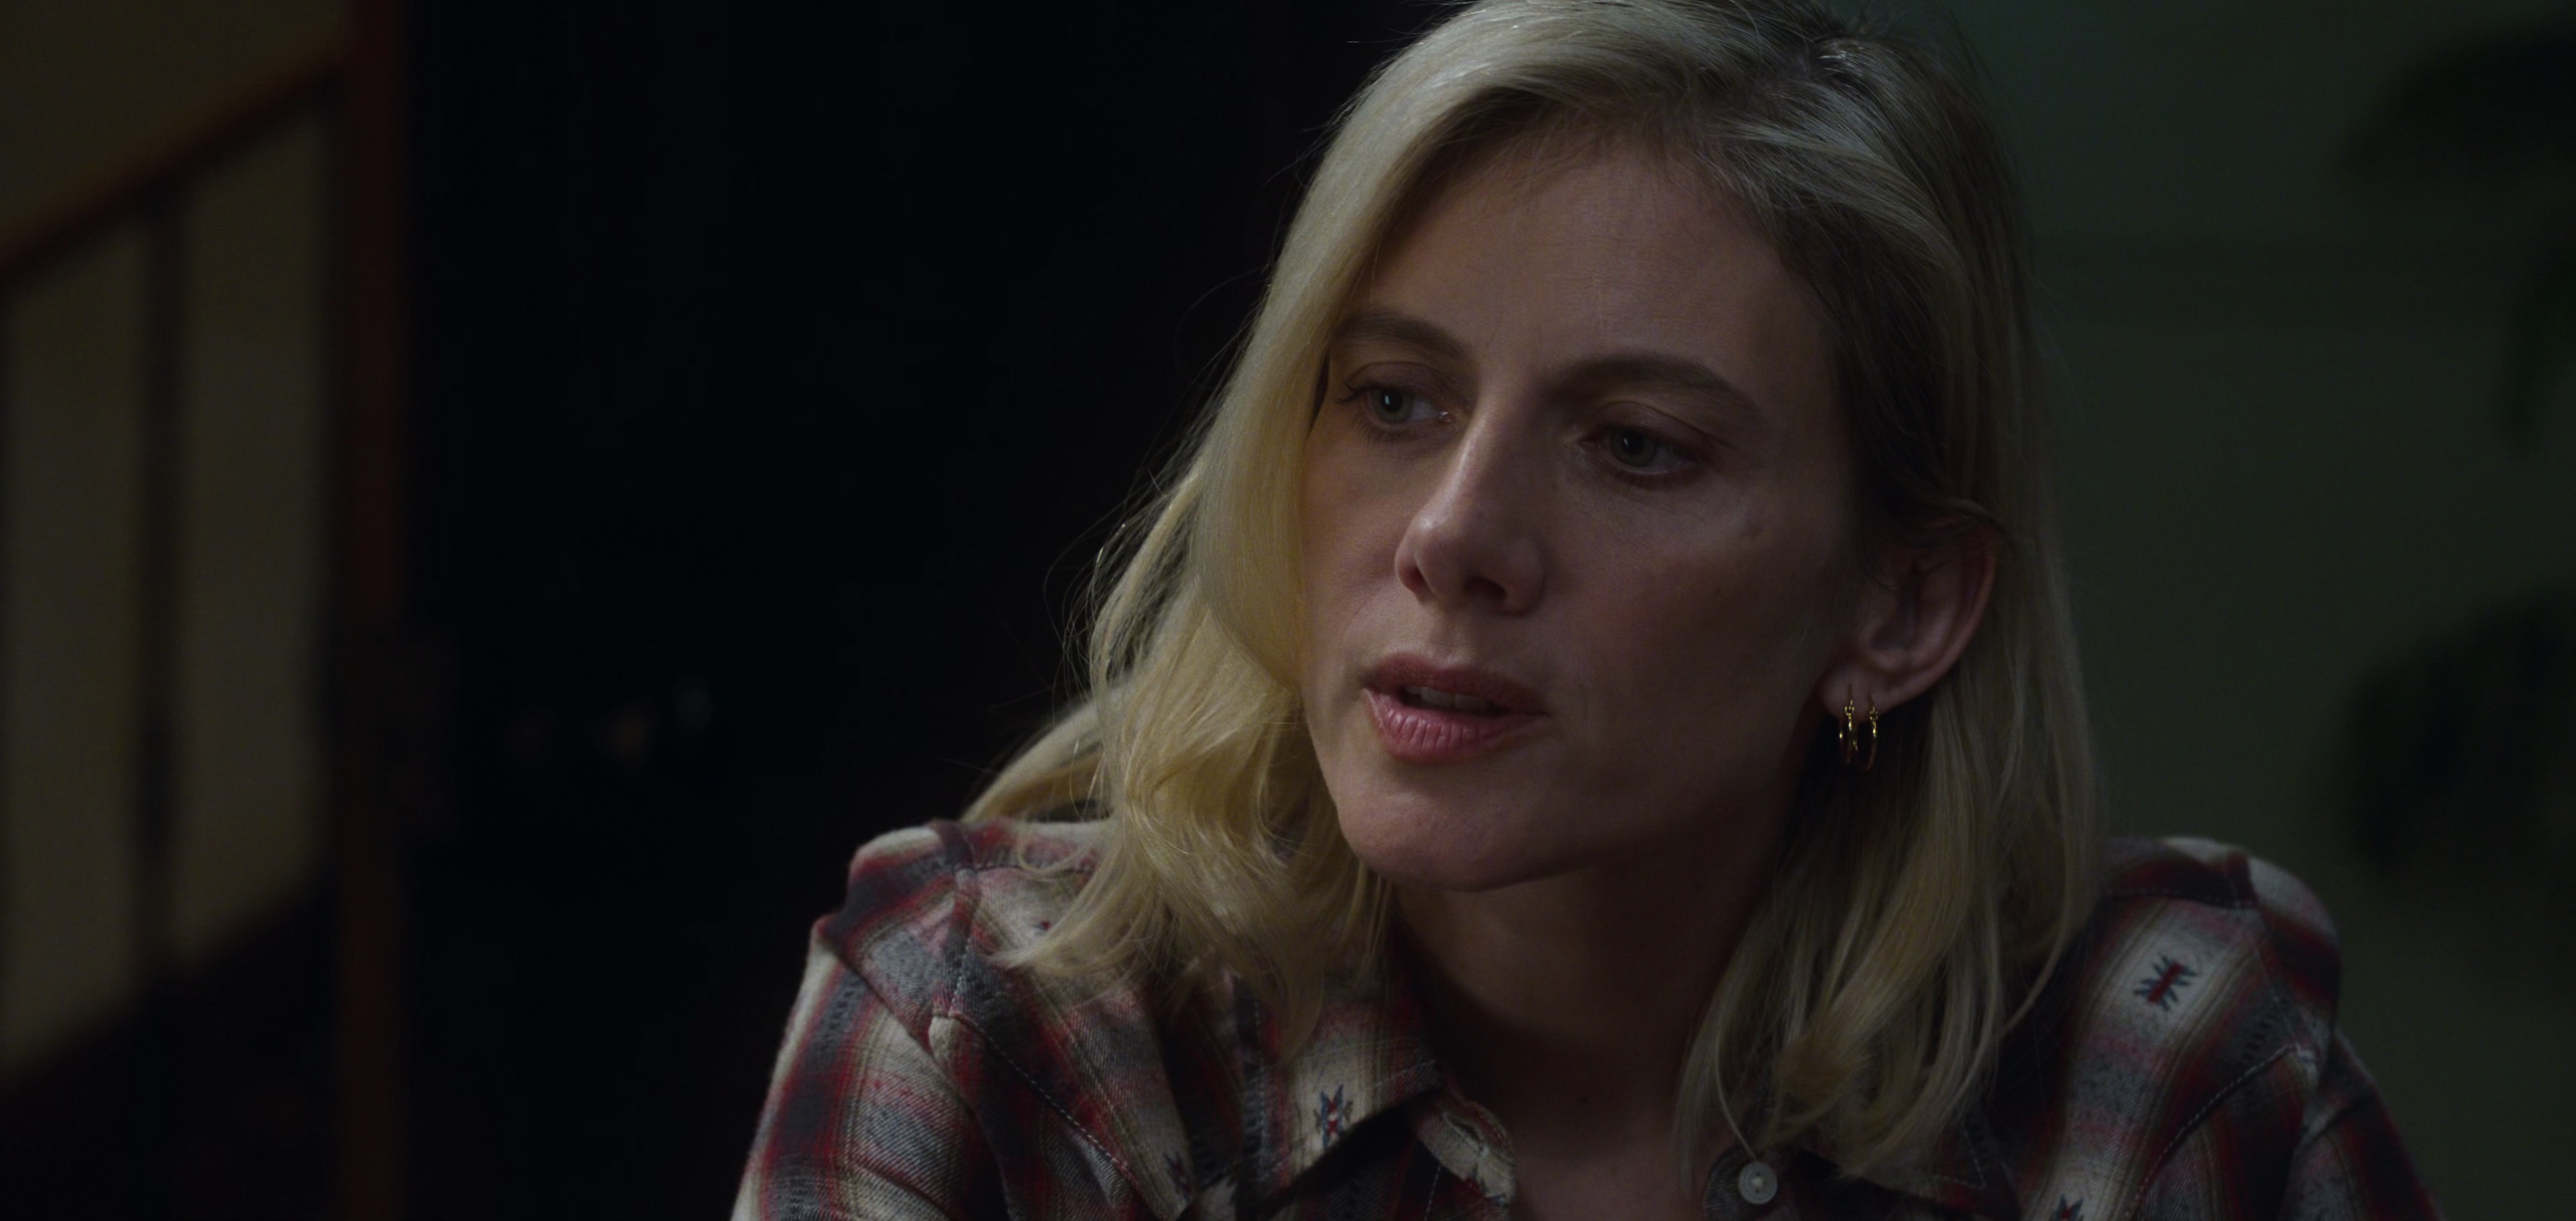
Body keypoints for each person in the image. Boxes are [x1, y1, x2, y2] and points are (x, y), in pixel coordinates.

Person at [736, 1, 2440, 1217]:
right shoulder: (1003, 1031)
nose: (1453, 536)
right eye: (1393, 399)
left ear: (1902, 605)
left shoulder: (2150, 1079)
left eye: (1634, 444)